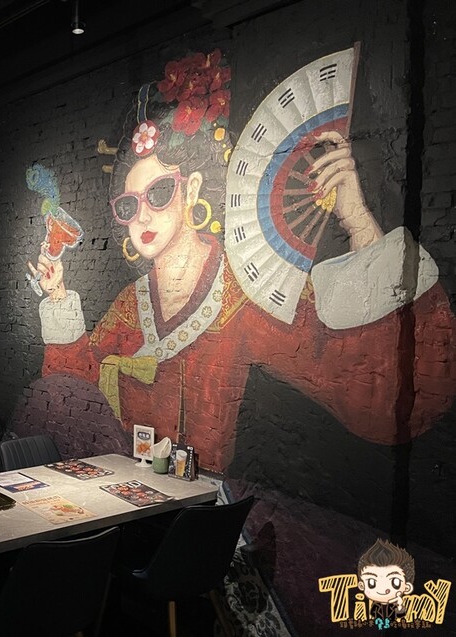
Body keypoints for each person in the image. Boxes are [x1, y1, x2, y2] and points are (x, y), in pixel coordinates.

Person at [27, 49, 456, 472]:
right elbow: (77, 397)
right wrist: (59, 298)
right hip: (135, 486)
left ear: (193, 189)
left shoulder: (245, 291)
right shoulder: (129, 305)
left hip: (213, 500)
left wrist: (357, 221)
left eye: (158, 193)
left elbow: (377, 393)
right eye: (127, 206)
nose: (142, 216)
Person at [357, 538, 414, 622]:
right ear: (361, 585)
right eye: (371, 583)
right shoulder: (372, 607)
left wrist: (399, 606)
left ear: (407, 587)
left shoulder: (396, 604)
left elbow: (401, 617)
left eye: (395, 582)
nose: (382, 589)